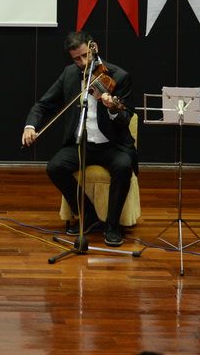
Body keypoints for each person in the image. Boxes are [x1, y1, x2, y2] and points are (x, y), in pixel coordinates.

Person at [21, 31, 137, 247]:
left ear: (94, 48)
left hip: (113, 145)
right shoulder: (69, 74)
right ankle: (88, 214)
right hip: (82, 143)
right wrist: (30, 126)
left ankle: (112, 225)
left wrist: (112, 108)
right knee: (55, 167)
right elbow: (43, 104)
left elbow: (126, 117)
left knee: (123, 167)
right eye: (77, 59)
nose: (83, 63)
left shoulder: (119, 76)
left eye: (85, 56)